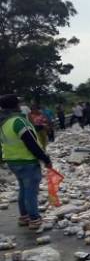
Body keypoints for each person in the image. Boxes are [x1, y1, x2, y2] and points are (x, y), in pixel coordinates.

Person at [0, 94, 52, 230]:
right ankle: (34, 219)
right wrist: (45, 159)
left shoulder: (3, 123)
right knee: (30, 191)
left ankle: (24, 216)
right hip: (27, 161)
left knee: (23, 188)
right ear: (16, 106)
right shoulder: (18, 121)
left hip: (12, 161)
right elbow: (31, 143)